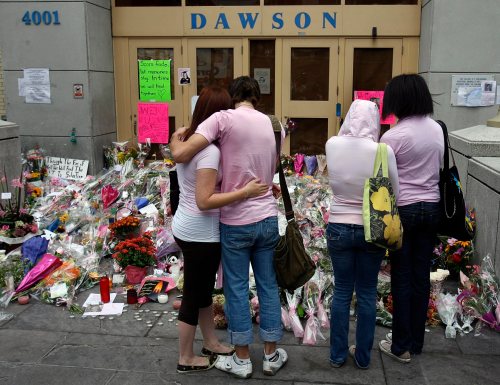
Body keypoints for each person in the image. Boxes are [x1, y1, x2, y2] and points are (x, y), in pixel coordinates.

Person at [170, 76, 287, 379]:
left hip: (235, 222)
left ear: (233, 98)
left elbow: (181, 154)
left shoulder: (222, 119)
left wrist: (175, 136)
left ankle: (243, 358)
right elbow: (270, 168)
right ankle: (272, 355)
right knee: (268, 285)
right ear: (257, 97)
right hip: (266, 218)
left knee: (235, 289)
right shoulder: (275, 126)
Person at [325, 99, 399, 369]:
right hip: (373, 230)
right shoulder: (383, 150)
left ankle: (336, 355)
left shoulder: (332, 145)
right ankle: (364, 357)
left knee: (342, 290)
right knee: (367, 292)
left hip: (338, 226)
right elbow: (395, 193)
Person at [378, 74, 444, 363]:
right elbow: (439, 167)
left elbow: (384, 181)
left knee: (401, 277)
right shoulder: (437, 129)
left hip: (403, 210)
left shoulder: (392, 136)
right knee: (421, 277)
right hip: (431, 208)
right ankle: (416, 341)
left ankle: (400, 345)